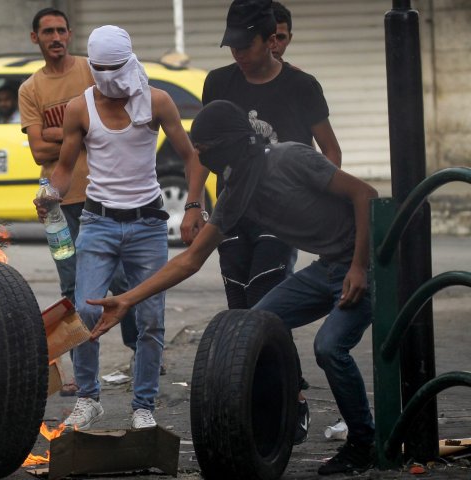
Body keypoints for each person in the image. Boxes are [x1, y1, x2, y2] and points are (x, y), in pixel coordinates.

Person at [89, 100, 377, 475]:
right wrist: (127, 299)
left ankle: (363, 442)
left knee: (329, 347)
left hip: (370, 263)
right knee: (256, 327)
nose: (201, 157)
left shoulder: (289, 159)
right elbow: (190, 260)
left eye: (206, 150)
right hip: (329, 267)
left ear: (230, 143)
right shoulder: (237, 193)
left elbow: (365, 194)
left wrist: (358, 266)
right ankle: (278, 420)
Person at [188, 0, 343, 443]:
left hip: (281, 210)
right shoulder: (219, 81)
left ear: (270, 39)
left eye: (245, 44)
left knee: (265, 302)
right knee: (239, 310)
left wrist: (316, 199)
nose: (237, 52)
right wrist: (193, 204)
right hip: (234, 208)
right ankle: (252, 399)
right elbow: (204, 148)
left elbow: (330, 150)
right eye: (230, 44)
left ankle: (290, 398)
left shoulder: (301, 85)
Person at [38, 25, 207, 431]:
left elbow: (193, 158)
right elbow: (63, 168)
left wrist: (193, 207)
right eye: (101, 68)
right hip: (97, 221)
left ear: (129, 62)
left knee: (150, 318)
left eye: (115, 68)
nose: (109, 76)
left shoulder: (156, 101)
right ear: (92, 67)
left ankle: (143, 406)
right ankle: (88, 399)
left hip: (148, 224)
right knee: (83, 310)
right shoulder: (81, 108)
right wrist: (50, 193)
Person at [19, 7, 144, 393]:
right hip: (57, 206)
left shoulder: (93, 71)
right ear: (35, 39)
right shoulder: (30, 89)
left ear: (70, 34)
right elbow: (39, 151)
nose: (56, 37)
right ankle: (78, 373)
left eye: (61, 30)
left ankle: (141, 355)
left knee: (125, 281)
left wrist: (62, 128)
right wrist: (81, 126)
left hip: (104, 195)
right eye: (47, 32)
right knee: (71, 283)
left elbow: (118, 120)